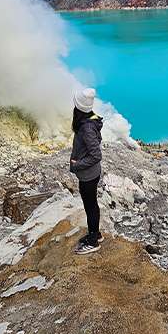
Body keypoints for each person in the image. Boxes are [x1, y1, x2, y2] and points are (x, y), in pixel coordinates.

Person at [70, 88, 104, 255]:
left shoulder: (87, 127)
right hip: (91, 173)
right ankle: (96, 234)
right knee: (91, 204)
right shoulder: (91, 120)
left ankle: (93, 241)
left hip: (88, 175)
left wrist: (77, 164)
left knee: (90, 206)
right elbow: (97, 141)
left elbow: (96, 155)